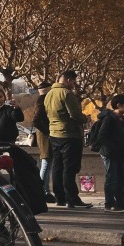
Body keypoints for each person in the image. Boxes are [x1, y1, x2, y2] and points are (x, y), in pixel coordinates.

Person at [44, 69, 92, 209]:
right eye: (74, 81)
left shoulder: (49, 94)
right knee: (69, 168)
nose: (74, 84)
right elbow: (75, 115)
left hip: (54, 134)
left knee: (57, 167)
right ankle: (72, 198)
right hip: (69, 135)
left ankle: (60, 197)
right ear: (69, 80)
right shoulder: (66, 93)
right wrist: (85, 118)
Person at [98, 94, 124, 213]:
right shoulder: (109, 118)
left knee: (121, 178)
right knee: (111, 177)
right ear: (119, 105)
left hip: (118, 153)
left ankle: (120, 202)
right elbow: (102, 136)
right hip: (109, 153)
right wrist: (112, 148)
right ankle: (109, 203)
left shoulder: (123, 120)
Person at [33, 82, 55, 203]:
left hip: (43, 135)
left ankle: (44, 190)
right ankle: (43, 191)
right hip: (45, 136)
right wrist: (49, 132)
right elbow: (36, 120)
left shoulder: (40, 100)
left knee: (46, 162)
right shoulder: (43, 100)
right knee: (46, 162)